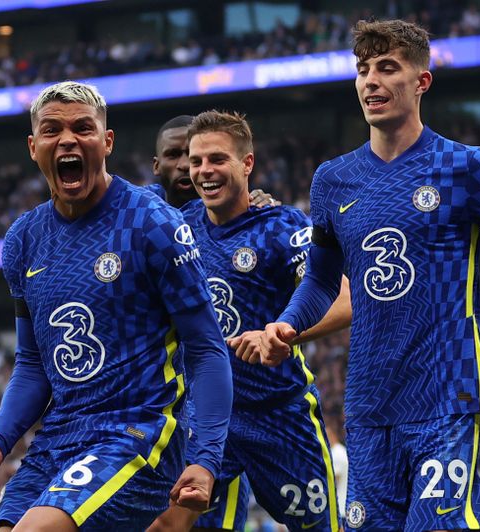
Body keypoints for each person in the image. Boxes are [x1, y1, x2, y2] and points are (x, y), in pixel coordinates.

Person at [256, 20, 480, 531]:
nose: (370, 81)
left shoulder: (464, 166)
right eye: (363, 70)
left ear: (422, 82)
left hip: (448, 391)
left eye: (387, 68)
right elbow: (322, 280)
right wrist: (287, 323)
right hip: (369, 401)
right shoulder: (333, 179)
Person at [0, 81, 233, 531]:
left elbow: (207, 349)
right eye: (52, 130)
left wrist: (206, 458)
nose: (67, 140)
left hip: (137, 432)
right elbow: (32, 364)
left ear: (107, 141)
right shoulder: (24, 240)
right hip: (59, 437)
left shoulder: (151, 222)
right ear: (33, 146)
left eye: (83, 128)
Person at [149, 110, 351, 532]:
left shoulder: (281, 226)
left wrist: (282, 332)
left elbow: (345, 297)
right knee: (166, 523)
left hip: (280, 414)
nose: (204, 171)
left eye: (218, 159)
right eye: (196, 161)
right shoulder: (177, 230)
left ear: (247, 164)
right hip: (206, 419)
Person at [151, 114, 278, 210]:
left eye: (193, 157)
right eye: (173, 155)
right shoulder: (139, 207)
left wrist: (265, 211)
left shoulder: (251, 211)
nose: (185, 165)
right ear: (156, 166)